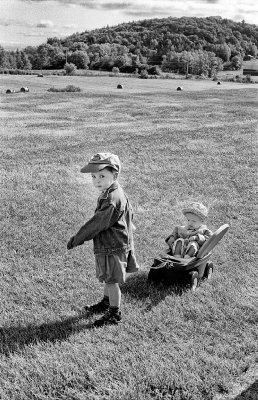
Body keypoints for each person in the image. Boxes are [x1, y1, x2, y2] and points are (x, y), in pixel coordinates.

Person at [67, 152, 139, 327]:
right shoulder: (111, 191)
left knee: (112, 281)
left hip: (112, 247)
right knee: (108, 277)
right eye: (94, 176)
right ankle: (106, 302)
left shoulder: (112, 199)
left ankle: (115, 313)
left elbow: (97, 223)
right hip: (111, 244)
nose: (96, 180)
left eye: (102, 176)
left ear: (114, 175)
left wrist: (78, 238)